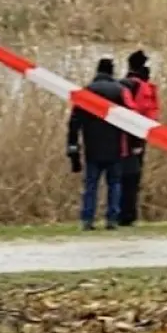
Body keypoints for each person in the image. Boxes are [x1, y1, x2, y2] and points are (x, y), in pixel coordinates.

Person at [67, 57, 132, 230]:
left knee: (91, 184)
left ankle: (87, 219)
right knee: (115, 183)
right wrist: (133, 144)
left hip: (92, 146)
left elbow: (74, 121)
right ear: (112, 71)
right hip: (116, 145)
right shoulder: (120, 90)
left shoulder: (87, 91)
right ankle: (112, 218)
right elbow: (132, 118)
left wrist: (73, 146)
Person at [118, 49, 161, 227]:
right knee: (130, 176)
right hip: (132, 139)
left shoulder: (125, 84)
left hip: (132, 138)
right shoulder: (136, 86)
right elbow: (140, 114)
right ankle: (126, 216)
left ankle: (126, 214)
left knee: (127, 177)